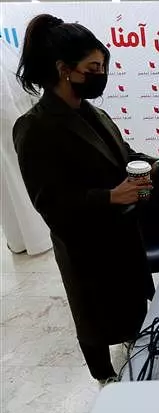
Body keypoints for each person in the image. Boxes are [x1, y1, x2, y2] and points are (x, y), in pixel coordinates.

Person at [12, 14, 159, 385]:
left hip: (122, 235)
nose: (102, 75)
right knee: (94, 319)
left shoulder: (94, 113)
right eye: (93, 68)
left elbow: (126, 157)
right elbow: (51, 204)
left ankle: (134, 346)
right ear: (64, 70)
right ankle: (104, 378)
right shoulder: (35, 128)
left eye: (103, 67)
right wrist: (109, 196)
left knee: (131, 306)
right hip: (86, 246)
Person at [0, 41, 52, 255]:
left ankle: (25, 238)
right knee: (17, 182)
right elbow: (5, 101)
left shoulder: (4, 47)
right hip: (10, 129)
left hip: (15, 126)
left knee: (14, 184)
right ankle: (33, 238)